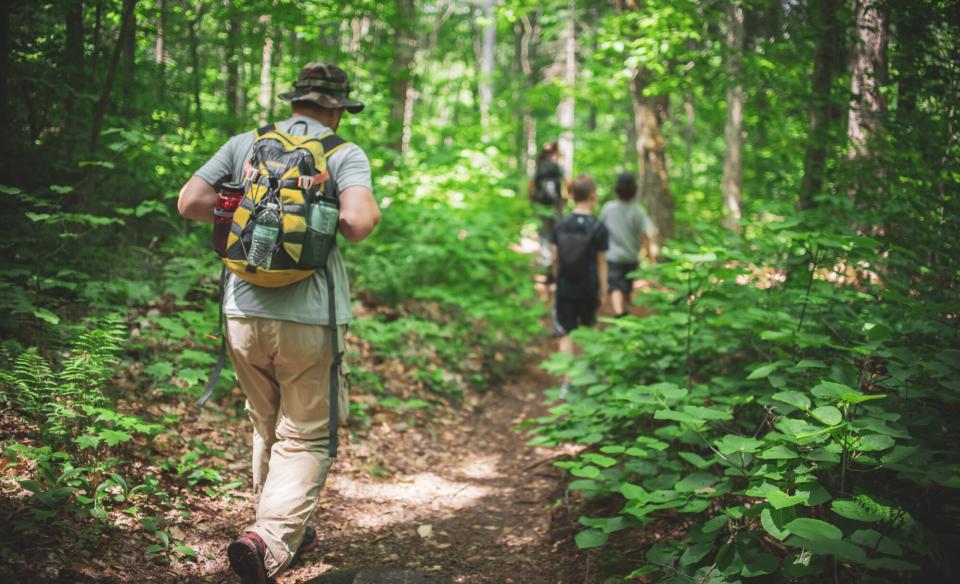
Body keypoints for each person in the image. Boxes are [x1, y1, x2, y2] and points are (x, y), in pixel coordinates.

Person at [177, 63, 380, 584]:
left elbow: (190, 202)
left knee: (266, 420)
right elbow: (359, 224)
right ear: (337, 108)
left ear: (294, 101)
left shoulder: (245, 142)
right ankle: (267, 540)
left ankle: (287, 528)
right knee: (309, 434)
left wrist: (243, 209)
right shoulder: (342, 153)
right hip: (310, 316)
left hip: (242, 310)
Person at [551, 174, 608, 373]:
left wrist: (557, 281)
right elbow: (601, 262)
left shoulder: (560, 224)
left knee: (566, 334)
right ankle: (587, 377)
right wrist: (603, 289)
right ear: (593, 196)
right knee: (588, 332)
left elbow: (554, 259)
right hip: (589, 287)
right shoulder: (598, 226)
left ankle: (567, 383)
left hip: (565, 286)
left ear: (572, 195)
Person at [599, 172, 653, 318]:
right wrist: (649, 255)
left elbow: (599, 230)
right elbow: (645, 235)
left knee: (616, 286)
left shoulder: (608, 208)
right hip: (631, 256)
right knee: (626, 286)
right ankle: (622, 312)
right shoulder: (639, 211)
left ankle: (620, 312)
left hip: (613, 256)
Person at [529, 142, 568, 280]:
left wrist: (531, 200)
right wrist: (565, 200)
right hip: (556, 206)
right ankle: (556, 265)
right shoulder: (558, 167)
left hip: (541, 205)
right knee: (556, 234)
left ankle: (545, 266)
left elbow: (531, 184)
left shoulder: (539, 167)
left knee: (544, 235)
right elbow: (567, 183)